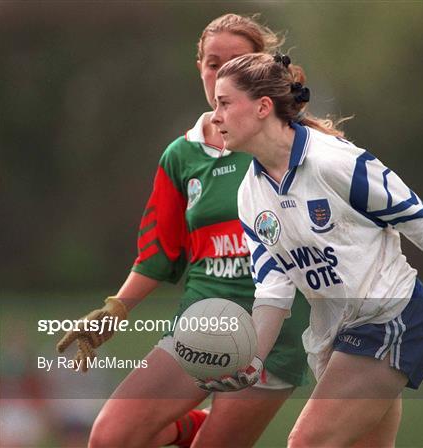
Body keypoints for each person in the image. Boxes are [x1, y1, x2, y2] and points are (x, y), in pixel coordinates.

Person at [201, 52, 423, 447]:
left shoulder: (331, 161)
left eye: (224, 102)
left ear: (263, 107)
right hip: (337, 330)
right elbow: (273, 290)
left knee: (305, 442)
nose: (214, 116)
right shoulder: (250, 195)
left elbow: (414, 216)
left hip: (391, 316)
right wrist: (251, 360)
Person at [55, 15, 310, 448]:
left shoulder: (290, 142)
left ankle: (194, 430)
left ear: (262, 68)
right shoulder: (182, 154)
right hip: (203, 322)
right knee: (110, 437)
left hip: (274, 332)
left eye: (238, 62)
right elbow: (157, 252)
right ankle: (187, 425)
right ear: (200, 69)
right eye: (213, 64)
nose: (222, 74)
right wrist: (115, 310)